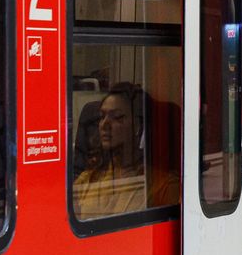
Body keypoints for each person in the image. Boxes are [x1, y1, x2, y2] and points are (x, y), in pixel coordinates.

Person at [73, 83, 179, 219]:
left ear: (138, 126)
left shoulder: (163, 185)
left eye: (117, 117)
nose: (104, 124)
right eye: (102, 116)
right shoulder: (89, 179)